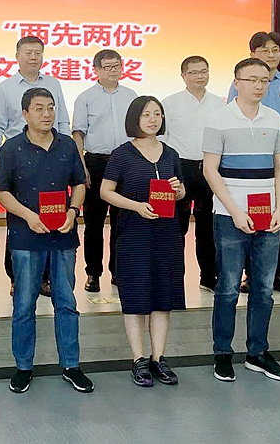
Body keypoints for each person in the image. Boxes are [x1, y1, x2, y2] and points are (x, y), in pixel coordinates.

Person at [0, 87, 93, 394]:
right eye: (39, 108)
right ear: (25, 114)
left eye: (51, 108)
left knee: (67, 302)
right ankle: (23, 367)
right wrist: (28, 216)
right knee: (24, 305)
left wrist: (73, 210)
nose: (47, 114)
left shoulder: (67, 145)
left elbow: (79, 183)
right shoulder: (12, 148)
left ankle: (71, 365)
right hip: (26, 237)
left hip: (62, 236)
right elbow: (0, 191)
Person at [204, 58, 280, 382]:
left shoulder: (275, 118)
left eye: (264, 80)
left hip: (268, 216)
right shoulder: (219, 119)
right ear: (236, 82)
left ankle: (257, 353)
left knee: (264, 289)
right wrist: (235, 211)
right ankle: (222, 353)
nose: (258, 85)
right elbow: (210, 169)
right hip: (230, 216)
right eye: (251, 79)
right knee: (227, 288)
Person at [100, 96, 186, 387]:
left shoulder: (171, 154)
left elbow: (181, 191)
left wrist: (178, 190)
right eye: (146, 114)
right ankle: (138, 359)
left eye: (157, 114)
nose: (153, 119)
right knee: (136, 298)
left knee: (163, 298)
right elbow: (105, 191)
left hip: (166, 234)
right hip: (133, 233)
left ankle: (158, 358)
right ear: (134, 118)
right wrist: (136, 206)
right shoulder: (122, 154)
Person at [228, 32, 280, 296]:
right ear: (252, 54)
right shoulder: (241, 83)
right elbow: (232, 118)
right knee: (253, 211)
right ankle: (251, 274)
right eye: (264, 50)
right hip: (252, 153)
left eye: (275, 50)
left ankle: (278, 274)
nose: (271, 55)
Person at [0, 36, 71, 295]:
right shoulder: (5, 87)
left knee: (52, 215)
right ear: (17, 56)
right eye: (28, 52)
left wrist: (67, 154)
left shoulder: (53, 84)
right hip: (18, 160)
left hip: (52, 156)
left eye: (38, 52)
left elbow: (63, 122)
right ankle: (16, 277)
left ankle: (45, 277)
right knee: (18, 221)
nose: (33, 57)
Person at [72, 49, 137, 292]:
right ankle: (93, 273)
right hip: (96, 163)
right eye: (107, 67)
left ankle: (118, 272)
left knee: (123, 220)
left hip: (126, 161)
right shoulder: (86, 98)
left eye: (116, 66)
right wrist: (82, 167)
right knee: (94, 222)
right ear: (96, 70)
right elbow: (78, 134)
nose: (113, 70)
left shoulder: (131, 95)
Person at [162, 56, 224, 293]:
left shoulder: (219, 104)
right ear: (183, 76)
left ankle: (208, 276)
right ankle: (173, 278)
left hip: (210, 168)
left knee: (208, 227)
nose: (200, 76)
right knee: (176, 227)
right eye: (194, 72)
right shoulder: (170, 103)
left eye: (204, 71)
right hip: (180, 169)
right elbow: (162, 140)